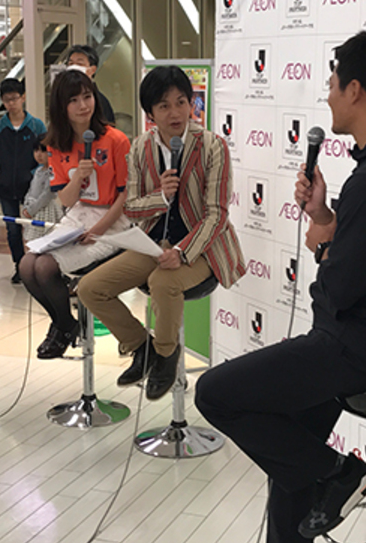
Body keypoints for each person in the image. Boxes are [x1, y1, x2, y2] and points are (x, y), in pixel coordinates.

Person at [195, 29, 366, 543]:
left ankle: (341, 475)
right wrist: (327, 217)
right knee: (289, 439)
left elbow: (339, 288)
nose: (328, 95)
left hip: (358, 349)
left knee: (213, 393)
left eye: (333, 84)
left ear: (355, 90)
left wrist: (323, 244)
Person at [78, 65, 245, 401]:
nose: (175, 113)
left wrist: (181, 253)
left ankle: (166, 354)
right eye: (164, 105)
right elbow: (132, 207)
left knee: (162, 282)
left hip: (203, 248)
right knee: (90, 288)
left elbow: (216, 214)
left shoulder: (212, 146)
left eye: (182, 102)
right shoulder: (140, 148)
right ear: (150, 112)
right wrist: (162, 197)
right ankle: (142, 348)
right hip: (153, 244)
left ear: (191, 104)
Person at [19, 69, 130, 360]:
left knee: (45, 268)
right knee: (27, 265)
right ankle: (64, 323)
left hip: (112, 220)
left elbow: (125, 196)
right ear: (61, 106)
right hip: (78, 214)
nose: (83, 105)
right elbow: (66, 200)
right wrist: (78, 176)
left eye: (87, 97)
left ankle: (63, 328)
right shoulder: (57, 144)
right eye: (74, 100)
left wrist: (99, 230)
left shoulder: (116, 139)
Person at [0, 78, 46, 283]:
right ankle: (20, 266)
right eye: (7, 100)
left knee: (35, 227)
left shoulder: (36, 125)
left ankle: (38, 266)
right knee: (12, 229)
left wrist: (35, 174)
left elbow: (45, 151)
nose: (11, 103)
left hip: (32, 187)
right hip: (5, 186)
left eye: (14, 98)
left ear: (23, 97)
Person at [21, 134, 63, 243]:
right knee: (30, 241)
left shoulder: (52, 171)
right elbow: (31, 190)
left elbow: (48, 194)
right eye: (36, 150)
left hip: (44, 210)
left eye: (43, 151)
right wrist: (26, 206)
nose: (39, 155)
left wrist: (31, 210)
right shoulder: (38, 171)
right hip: (33, 209)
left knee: (43, 241)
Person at [66, 45, 115, 125]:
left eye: (79, 64)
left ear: (92, 70)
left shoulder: (100, 101)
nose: (74, 67)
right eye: (71, 64)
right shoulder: (63, 96)